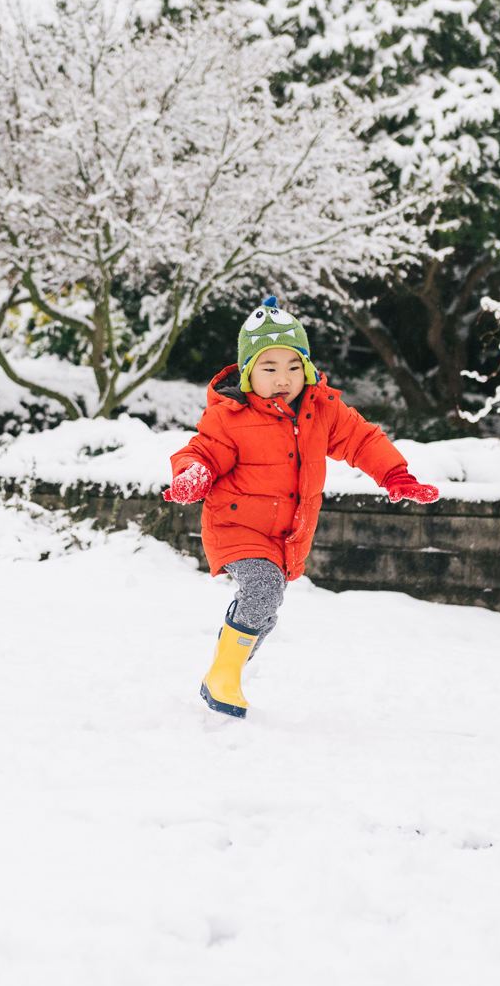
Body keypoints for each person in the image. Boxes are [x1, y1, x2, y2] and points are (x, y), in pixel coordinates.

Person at [163, 297, 439, 718]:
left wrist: (394, 475)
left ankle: (223, 672)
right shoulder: (230, 416)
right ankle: (223, 677)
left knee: (266, 610)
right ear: (248, 370)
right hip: (235, 528)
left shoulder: (320, 410)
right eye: (268, 368)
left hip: (286, 536)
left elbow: (362, 440)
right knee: (262, 590)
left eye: (293, 366)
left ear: (306, 368)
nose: (283, 378)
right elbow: (201, 452)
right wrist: (192, 475)